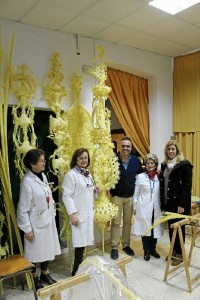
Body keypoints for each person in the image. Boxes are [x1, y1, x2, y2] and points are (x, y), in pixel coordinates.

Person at [17, 149, 61, 290]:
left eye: (44, 160)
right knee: (34, 252)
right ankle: (34, 276)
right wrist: (27, 229)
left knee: (47, 249)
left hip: (47, 219)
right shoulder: (27, 182)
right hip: (35, 224)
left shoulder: (43, 176)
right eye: (41, 161)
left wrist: (52, 205)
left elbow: (47, 195)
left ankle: (45, 273)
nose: (44, 163)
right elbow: (22, 208)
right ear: (32, 164)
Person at [62, 148, 98, 276]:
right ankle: (76, 272)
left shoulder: (87, 173)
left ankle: (81, 268)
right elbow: (66, 196)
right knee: (79, 244)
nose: (84, 160)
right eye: (81, 158)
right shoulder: (71, 175)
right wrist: (72, 215)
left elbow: (86, 191)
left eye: (86, 158)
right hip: (78, 214)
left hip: (87, 213)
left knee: (84, 243)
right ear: (75, 159)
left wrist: (95, 190)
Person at [160, 139, 193, 266]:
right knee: (171, 229)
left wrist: (182, 204)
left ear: (177, 150)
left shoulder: (184, 165)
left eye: (173, 149)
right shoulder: (164, 165)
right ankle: (173, 250)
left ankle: (180, 253)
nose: (170, 151)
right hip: (168, 203)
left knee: (179, 229)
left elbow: (187, 187)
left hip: (179, 204)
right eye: (168, 149)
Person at [110, 136, 143, 260]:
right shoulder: (113, 160)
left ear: (131, 147)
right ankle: (114, 246)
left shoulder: (136, 161)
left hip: (130, 196)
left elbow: (140, 178)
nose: (125, 148)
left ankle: (126, 245)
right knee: (116, 222)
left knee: (128, 222)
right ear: (120, 147)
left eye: (128, 146)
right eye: (123, 146)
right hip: (116, 196)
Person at [133, 154, 164, 261]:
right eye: (148, 163)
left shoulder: (159, 176)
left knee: (155, 229)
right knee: (145, 230)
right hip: (144, 208)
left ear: (156, 164)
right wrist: (135, 207)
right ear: (145, 165)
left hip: (156, 208)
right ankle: (146, 250)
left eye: (152, 163)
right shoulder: (140, 177)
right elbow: (136, 194)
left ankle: (153, 249)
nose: (150, 165)